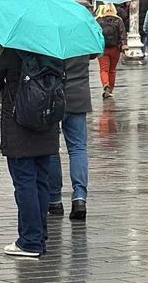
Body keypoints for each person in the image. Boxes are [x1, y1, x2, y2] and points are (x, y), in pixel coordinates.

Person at [0, 47, 60, 258]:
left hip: (19, 126)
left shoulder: (10, 52)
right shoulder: (53, 51)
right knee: (41, 182)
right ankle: (40, 235)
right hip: (46, 123)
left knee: (25, 184)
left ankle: (30, 241)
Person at [46, 55, 93, 221]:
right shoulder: (83, 38)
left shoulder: (48, 39)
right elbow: (94, 53)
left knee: (52, 148)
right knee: (78, 148)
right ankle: (79, 197)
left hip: (52, 95)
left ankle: (54, 199)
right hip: (78, 95)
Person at [95, 4, 127, 98]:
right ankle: (111, 90)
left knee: (104, 69)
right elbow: (122, 34)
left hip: (102, 49)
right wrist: (124, 46)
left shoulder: (99, 20)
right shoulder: (118, 20)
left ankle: (106, 85)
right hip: (115, 49)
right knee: (112, 70)